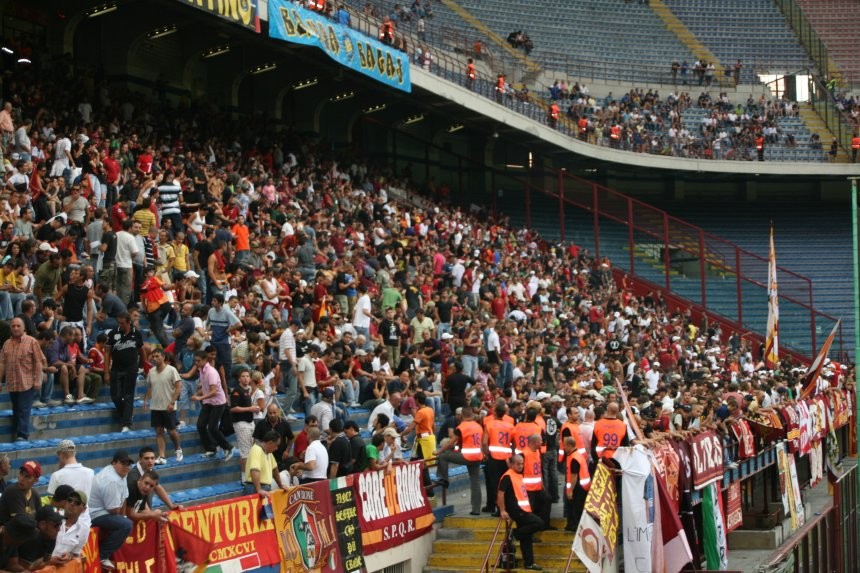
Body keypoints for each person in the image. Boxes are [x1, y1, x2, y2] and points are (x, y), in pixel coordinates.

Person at [0, 317, 46, 441]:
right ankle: (17, 433)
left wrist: (37, 380)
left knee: (23, 409)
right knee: (16, 409)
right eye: (13, 326)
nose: (15, 328)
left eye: (18, 326)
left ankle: (22, 435)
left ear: (24, 327)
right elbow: (2, 363)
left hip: (27, 383)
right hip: (12, 383)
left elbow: (38, 362)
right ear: (10, 328)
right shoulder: (6, 344)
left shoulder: (32, 341)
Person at [497, 454, 545, 571]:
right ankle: (514, 534)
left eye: (522, 463)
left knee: (526, 537)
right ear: (512, 464)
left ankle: (529, 563)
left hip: (523, 509)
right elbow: (500, 494)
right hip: (517, 510)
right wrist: (502, 510)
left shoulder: (518, 475)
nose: (520, 466)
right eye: (518, 464)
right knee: (539, 523)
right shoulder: (507, 476)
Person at [89, 450, 134, 571]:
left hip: (105, 511)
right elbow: (114, 510)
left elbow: (124, 497)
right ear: (114, 463)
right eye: (123, 463)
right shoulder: (111, 479)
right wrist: (121, 519)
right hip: (94, 514)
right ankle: (102, 556)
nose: (126, 466)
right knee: (126, 525)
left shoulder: (121, 474)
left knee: (124, 521)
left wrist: (123, 517)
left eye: (128, 464)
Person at [435, 406, 483, 515]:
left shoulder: (462, 426)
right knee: (475, 482)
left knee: (443, 456)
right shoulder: (478, 426)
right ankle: (476, 510)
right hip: (478, 456)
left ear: (462, 415)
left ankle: (444, 479)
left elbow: (450, 443)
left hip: (467, 457)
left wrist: (438, 451)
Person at [105, 311, 145, 432]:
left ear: (128, 322)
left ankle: (127, 423)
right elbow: (107, 353)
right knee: (115, 396)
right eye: (119, 322)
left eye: (122, 323)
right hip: (116, 368)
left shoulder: (136, 334)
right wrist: (106, 372)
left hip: (131, 369)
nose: (120, 325)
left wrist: (142, 366)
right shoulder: (113, 333)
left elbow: (142, 351)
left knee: (128, 396)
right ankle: (125, 415)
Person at [191, 350, 234, 460]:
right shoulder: (201, 370)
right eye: (195, 361)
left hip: (218, 403)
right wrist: (197, 394)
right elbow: (205, 388)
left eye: (198, 361)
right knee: (200, 425)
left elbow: (214, 391)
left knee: (212, 428)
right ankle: (211, 448)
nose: (196, 363)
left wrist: (199, 398)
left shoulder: (211, 372)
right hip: (208, 402)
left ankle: (228, 447)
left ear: (205, 360)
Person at [144, 348, 184, 463]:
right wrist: (146, 400)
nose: (155, 359)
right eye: (153, 356)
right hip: (156, 406)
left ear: (163, 357)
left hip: (168, 406)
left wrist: (172, 402)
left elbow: (178, 386)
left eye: (157, 356)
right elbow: (150, 387)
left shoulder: (172, 370)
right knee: (159, 431)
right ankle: (162, 456)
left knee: (171, 431)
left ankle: (178, 448)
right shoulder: (151, 372)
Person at [127, 447, 182, 512]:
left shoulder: (149, 470)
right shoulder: (133, 476)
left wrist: (171, 506)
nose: (150, 461)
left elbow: (158, 488)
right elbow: (139, 500)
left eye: (152, 458)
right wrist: (151, 515)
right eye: (146, 458)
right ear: (140, 459)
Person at [483, 401, 513, 515]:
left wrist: (486, 454)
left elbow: (485, 443)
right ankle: (508, 507)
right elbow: (513, 443)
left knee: (495, 484)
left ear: (495, 413)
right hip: (506, 458)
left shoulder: (489, 424)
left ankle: (498, 508)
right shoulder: (510, 426)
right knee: (506, 484)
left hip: (494, 458)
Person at [207, 293, 241, 385]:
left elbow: (239, 324)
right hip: (213, 341)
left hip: (224, 342)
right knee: (215, 362)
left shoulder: (227, 312)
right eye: (212, 300)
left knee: (226, 363)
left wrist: (228, 330)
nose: (212, 302)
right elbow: (208, 324)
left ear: (220, 303)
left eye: (214, 301)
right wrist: (208, 333)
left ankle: (227, 384)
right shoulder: (211, 311)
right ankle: (216, 383)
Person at [231, 369, 261, 474]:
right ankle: (245, 477)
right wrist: (249, 409)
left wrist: (253, 408)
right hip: (241, 424)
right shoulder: (237, 390)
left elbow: (246, 407)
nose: (246, 378)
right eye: (243, 376)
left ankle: (247, 474)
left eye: (248, 376)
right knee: (245, 453)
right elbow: (233, 408)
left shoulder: (247, 390)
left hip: (250, 422)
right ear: (239, 379)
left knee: (250, 450)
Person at [50, 489, 89, 565]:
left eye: (77, 503)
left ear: (84, 509)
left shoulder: (84, 528)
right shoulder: (53, 517)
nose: (72, 504)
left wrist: (69, 556)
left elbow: (75, 553)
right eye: (69, 500)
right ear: (65, 502)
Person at [243, 430, 288, 496]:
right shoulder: (256, 449)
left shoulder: (269, 453)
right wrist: (259, 490)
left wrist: (280, 485)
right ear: (270, 443)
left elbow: (275, 469)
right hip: (254, 488)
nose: (276, 448)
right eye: (276, 445)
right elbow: (254, 470)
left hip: (263, 488)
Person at [253, 404, 295, 472]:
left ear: (278, 412)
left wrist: (287, 451)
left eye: (274, 413)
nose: (272, 415)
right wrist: (263, 447)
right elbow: (256, 439)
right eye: (270, 413)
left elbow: (291, 438)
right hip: (265, 456)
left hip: (280, 457)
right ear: (267, 412)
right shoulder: (261, 424)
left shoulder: (285, 423)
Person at [562, 436, 590, 531]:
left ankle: (574, 527)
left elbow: (574, 476)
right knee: (576, 508)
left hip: (578, 487)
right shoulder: (577, 455)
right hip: (582, 486)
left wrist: (570, 491)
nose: (564, 448)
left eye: (565, 446)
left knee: (575, 508)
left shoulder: (574, 458)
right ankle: (572, 525)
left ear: (570, 446)